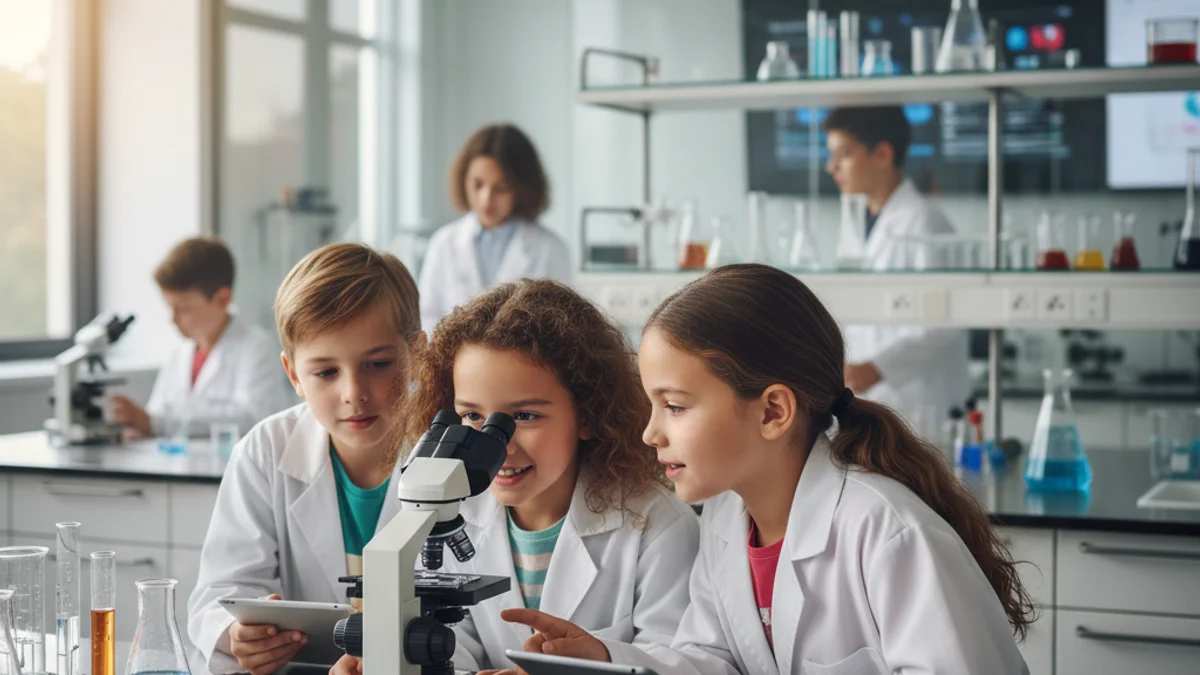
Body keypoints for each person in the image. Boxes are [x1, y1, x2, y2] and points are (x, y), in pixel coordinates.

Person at [501, 264, 1033, 674]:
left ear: (773, 411)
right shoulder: (727, 517)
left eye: (676, 406)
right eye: (652, 404)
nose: (650, 433)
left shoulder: (884, 530)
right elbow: (713, 660)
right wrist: (605, 661)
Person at [331, 279, 699, 675]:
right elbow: (458, 640)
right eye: (472, 417)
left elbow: (677, 660)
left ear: (589, 414)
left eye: (524, 417)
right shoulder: (453, 508)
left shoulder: (655, 525)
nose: (498, 447)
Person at [187, 243, 424, 675]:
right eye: (326, 372)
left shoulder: (452, 454)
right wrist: (238, 636)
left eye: (378, 363)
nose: (353, 392)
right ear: (294, 375)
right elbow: (218, 594)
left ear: (417, 355)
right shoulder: (265, 451)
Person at [822, 106, 970, 425]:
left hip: (921, 404)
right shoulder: (856, 224)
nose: (831, 166)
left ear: (883, 154)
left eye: (844, 154)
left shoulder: (925, 222)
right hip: (870, 401)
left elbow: (944, 321)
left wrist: (878, 367)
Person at [108, 237, 291, 440]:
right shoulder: (179, 355)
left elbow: (254, 418)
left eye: (184, 309)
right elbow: (155, 414)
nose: (173, 319)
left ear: (222, 299)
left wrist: (155, 423)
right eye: (169, 307)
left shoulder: (257, 348)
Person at [418, 123, 572, 333]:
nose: (486, 199)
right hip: (453, 363)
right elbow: (427, 316)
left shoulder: (550, 249)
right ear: (463, 179)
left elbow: (563, 327)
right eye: (478, 184)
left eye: (501, 188)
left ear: (522, 189)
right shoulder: (444, 243)